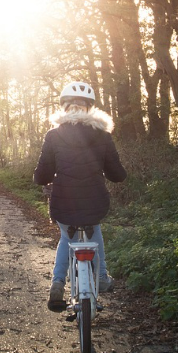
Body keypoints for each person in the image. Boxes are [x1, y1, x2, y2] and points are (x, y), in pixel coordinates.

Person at [33, 81, 127, 312]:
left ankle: (57, 283)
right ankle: (102, 277)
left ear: (64, 108)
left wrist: (43, 179)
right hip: (95, 199)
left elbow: (42, 174)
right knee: (94, 229)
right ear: (89, 108)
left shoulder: (54, 135)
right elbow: (117, 174)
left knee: (67, 236)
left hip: (63, 200)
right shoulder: (103, 135)